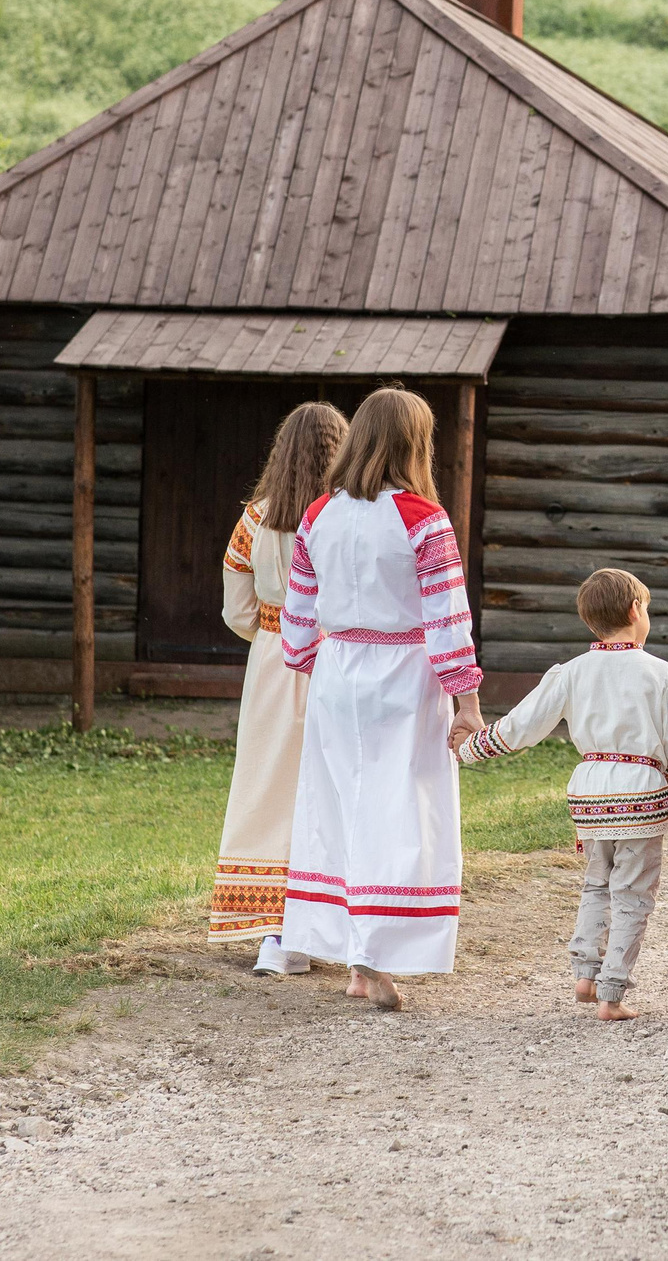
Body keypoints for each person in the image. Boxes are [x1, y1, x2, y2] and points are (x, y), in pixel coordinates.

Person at [278, 388, 483, 1012]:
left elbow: (297, 621)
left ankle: (355, 955)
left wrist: (319, 669)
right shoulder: (425, 520)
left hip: (339, 672)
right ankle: (373, 960)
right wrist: (467, 700)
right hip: (405, 673)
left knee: (341, 805)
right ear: (414, 444)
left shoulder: (318, 515)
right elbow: (448, 618)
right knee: (400, 811)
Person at [456, 567, 668, 1021]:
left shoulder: (569, 673)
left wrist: (470, 748)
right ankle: (611, 994)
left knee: (596, 883)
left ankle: (585, 974)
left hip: (589, 797)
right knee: (633, 893)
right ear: (636, 610)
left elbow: (521, 725)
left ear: (590, 622)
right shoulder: (663, 675)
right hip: (640, 797)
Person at [211, 400, 348, 975]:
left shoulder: (255, 518)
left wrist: (272, 630)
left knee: (270, 788)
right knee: (332, 785)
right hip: (340, 660)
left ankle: (276, 934)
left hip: (273, 664)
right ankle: (331, 925)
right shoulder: (347, 514)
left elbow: (236, 610)